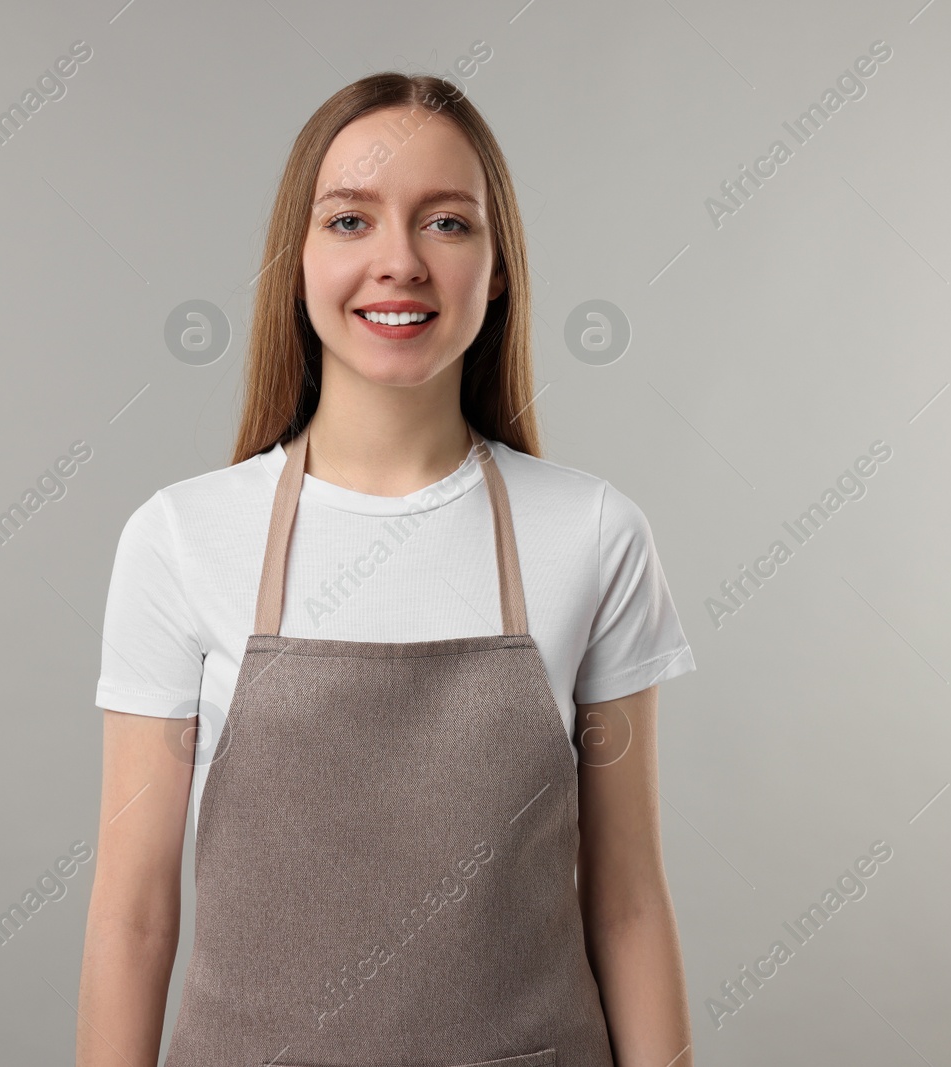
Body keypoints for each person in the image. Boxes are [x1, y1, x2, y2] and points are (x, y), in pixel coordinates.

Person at [77, 73, 696, 1067]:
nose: (397, 262)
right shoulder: (180, 536)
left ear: (497, 269)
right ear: (299, 260)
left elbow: (626, 903)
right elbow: (133, 916)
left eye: (446, 223)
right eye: (350, 220)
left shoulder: (593, 532)